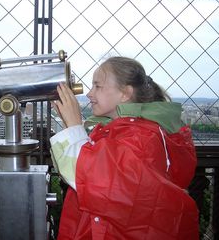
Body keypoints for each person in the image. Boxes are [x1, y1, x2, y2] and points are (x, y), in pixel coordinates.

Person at [50, 56, 199, 240]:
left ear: (125, 93)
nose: (89, 93)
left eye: (97, 86)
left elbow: (97, 181)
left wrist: (74, 125)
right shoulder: (114, 130)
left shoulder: (141, 138)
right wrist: (71, 125)